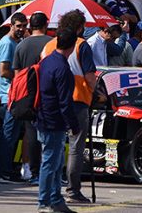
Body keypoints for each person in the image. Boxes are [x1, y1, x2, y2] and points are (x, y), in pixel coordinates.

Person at [41, 10, 96, 205]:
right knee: (75, 147)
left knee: (52, 149)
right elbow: (90, 76)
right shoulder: (82, 45)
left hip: (51, 103)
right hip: (78, 100)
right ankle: (73, 190)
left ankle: (52, 191)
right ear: (80, 27)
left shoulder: (48, 45)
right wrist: (97, 92)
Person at [36, 30, 82, 213]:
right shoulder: (62, 68)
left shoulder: (47, 61)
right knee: (50, 163)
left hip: (43, 117)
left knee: (54, 163)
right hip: (53, 121)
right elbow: (65, 102)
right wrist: (74, 125)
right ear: (72, 47)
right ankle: (44, 201)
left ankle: (55, 199)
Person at [0, 11, 28, 183]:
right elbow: (4, 71)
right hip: (9, 95)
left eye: (24, 26)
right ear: (11, 26)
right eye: (18, 26)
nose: (21, 29)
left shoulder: (16, 42)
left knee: (10, 134)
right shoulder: (6, 43)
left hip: (15, 94)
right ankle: (1, 170)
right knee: (8, 134)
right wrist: (22, 76)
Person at [13, 12, 52, 182]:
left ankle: (34, 173)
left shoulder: (21, 46)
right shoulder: (51, 43)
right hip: (47, 94)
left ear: (30, 25)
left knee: (31, 134)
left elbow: (16, 75)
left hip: (27, 96)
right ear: (46, 25)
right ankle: (48, 172)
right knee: (50, 135)